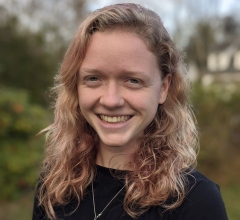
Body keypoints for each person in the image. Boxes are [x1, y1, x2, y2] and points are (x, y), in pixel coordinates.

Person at [32, 3, 228, 220]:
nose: (111, 100)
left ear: (164, 87)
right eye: (94, 78)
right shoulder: (55, 184)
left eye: (133, 81)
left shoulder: (195, 201)